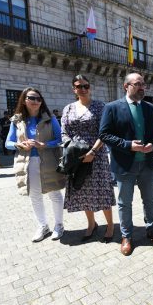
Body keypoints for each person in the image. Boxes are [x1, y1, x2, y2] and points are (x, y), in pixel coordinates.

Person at [99, 73, 153, 256]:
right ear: (126, 86)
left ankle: (151, 229)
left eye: (143, 84)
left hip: (147, 166)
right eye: (137, 84)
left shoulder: (150, 108)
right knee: (124, 203)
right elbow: (104, 134)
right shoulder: (112, 108)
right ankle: (126, 236)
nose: (142, 87)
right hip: (124, 165)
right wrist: (128, 145)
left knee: (149, 200)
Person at [5, 87, 66, 242]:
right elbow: (8, 143)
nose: (36, 101)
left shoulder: (49, 118)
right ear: (24, 100)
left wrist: (43, 144)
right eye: (32, 98)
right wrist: (21, 145)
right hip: (27, 162)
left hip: (49, 160)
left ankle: (59, 225)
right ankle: (43, 226)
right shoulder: (17, 120)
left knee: (55, 193)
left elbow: (60, 140)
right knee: (35, 195)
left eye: (39, 99)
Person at [61, 75, 116, 242]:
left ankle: (110, 225)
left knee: (102, 191)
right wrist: (72, 148)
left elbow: (105, 132)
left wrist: (92, 151)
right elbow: (64, 132)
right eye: (79, 86)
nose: (83, 89)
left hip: (96, 156)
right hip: (76, 156)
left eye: (85, 86)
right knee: (83, 190)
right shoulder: (68, 108)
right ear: (74, 89)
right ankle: (91, 224)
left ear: (90, 88)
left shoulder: (100, 107)